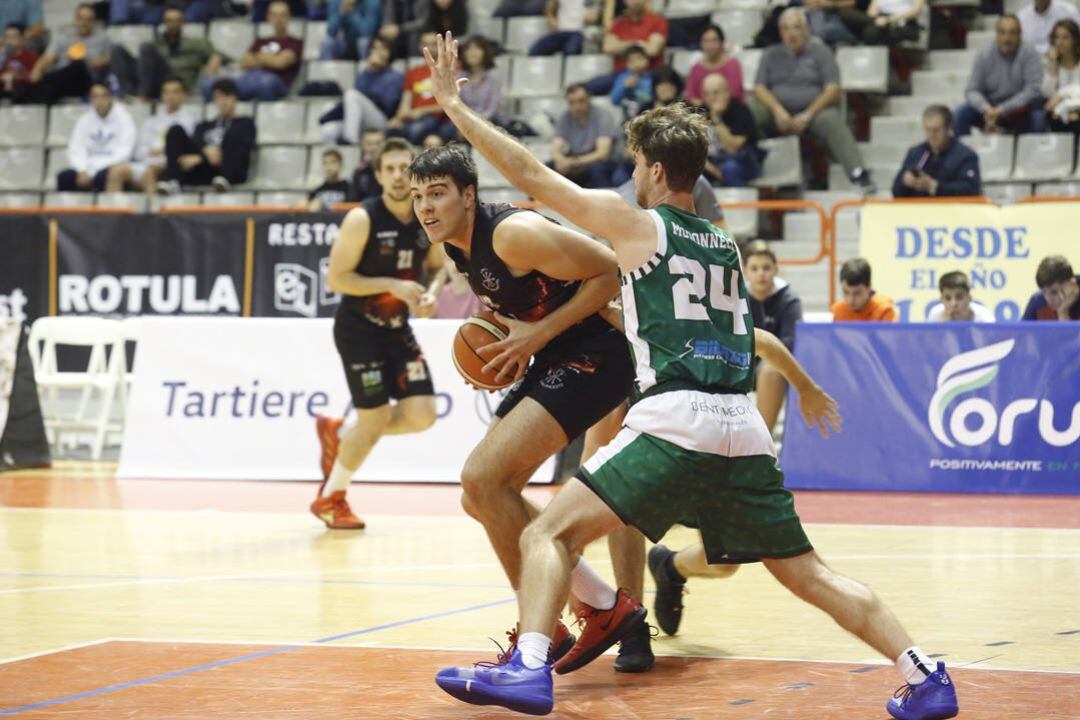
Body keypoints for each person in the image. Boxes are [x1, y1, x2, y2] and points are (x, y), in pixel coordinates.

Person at [422, 33, 958, 720]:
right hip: (744, 430)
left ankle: (530, 667)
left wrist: (454, 109)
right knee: (810, 575)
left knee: (545, 534)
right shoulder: (725, 247)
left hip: (676, 420)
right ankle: (925, 672)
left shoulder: (641, 226)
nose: (632, 173)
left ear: (650, 169)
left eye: (635, 163)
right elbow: (749, 333)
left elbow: (532, 178)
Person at [407, 141, 658, 674]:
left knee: (482, 478)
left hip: (601, 353)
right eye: (417, 197)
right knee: (483, 497)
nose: (425, 207)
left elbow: (612, 270)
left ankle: (544, 627)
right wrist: (504, 351)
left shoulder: (511, 233)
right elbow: (531, 300)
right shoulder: (456, 246)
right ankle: (601, 606)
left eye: (437, 194)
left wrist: (536, 335)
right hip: (558, 351)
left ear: (468, 195)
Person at [648, 325, 839, 639]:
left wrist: (807, 388)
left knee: (726, 563)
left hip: (721, 447)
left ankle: (669, 567)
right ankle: (627, 626)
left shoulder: (712, 322)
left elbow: (766, 342)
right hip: (673, 443)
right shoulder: (655, 318)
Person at [312, 138, 443, 529]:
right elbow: (338, 278)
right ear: (378, 174)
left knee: (422, 416)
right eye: (390, 169)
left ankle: (341, 431)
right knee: (376, 418)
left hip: (397, 328)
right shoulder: (363, 218)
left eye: (405, 167)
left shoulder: (426, 217)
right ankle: (331, 498)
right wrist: (392, 285)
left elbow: (437, 267)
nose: (398, 176)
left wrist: (431, 296)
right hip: (358, 330)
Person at [751, 8, 875, 192]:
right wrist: (778, 111)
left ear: (806, 29)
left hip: (813, 112)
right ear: (780, 32)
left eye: (796, 28)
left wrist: (807, 115)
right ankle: (755, 168)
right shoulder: (770, 54)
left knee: (831, 120)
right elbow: (759, 88)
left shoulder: (821, 51)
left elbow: (833, 90)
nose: (791, 33)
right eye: (785, 28)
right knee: (750, 113)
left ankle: (858, 173)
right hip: (779, 113)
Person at [743, 240, 803, 431]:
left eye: (766, 267)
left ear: (776, 269)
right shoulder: (734, 298)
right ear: (745, 271)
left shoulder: (789, 301)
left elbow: (791, 342)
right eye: (754, 268)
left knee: (771, 369)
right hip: (739, 364)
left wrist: (760, 352)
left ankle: (762, 444)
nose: (761, 273)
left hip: (776, 371)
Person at [158, 78, 257, 194]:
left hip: (231, 169)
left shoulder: (245, 123)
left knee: (233, 134)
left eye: (227, 96)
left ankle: (226, 179)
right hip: (205, 169)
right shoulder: (203, 126)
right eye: (219, 97)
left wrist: (211, 155)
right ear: (214, 100)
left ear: (235, 98)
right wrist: (205, 154)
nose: (223, 101)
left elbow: (244, 149)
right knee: (175, 130)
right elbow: (196, 144)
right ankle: (173, 181)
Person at [954, 15, 1045, 136]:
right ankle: (964, 154)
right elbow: (972, 90)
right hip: (990, 108)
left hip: (1020, 109)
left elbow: (1033, 90)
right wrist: (986, 109)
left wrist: (1002, 110)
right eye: (1002, 32)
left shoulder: (1030, 54)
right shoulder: (984, 55)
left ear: (1020, 35)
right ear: (996, 34)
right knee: (960, 113)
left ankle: (1034, 155)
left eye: (1012, 33)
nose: (1007, 38)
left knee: (1038, 117)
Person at [199, 0, 302, 102]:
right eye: (274, 15)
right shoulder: (261, 40)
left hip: (275, 81)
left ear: (289, 17)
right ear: (268, 17)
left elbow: (281, 62)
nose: (278, 19)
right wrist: (270, 59)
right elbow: (245, 62)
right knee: (210, 84)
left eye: (282, 15)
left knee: (266, 83)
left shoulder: (295, 42)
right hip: (249, 78)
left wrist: (257, 57)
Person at [111, 77, 198, 195]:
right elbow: (138, 152)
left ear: (183, 95)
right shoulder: (152, 121)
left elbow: (183, 150)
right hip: (145, 163)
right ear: (162, 96)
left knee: (150, 173)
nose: (170, 96)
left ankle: (151, 211)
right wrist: (159, 151)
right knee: (116, 172)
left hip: (168, 165)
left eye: (175, 92)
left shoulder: (190, 122)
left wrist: (162, 152)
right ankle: (113, 212)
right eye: (167, 92)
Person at [57, 82, 137, 194]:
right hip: (87, 168)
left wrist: (95, 170)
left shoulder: (124, 118)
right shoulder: (84, 119)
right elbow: (76, 148)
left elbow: (125, 151)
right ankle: (69, 211)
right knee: (64, 177)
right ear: (91, 99)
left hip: (110, 166)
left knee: (106, 176)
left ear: (110, 97)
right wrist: (83, 170)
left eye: (103, 96)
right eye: (95, 97)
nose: (99, 101)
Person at [319, 37, 400, 145]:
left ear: (390, 53)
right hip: (359, 120)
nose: (378, 52)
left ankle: (351, 140)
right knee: (329, 130)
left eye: (383, 49)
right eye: (374, 48)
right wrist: (371, 71)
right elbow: (356, 103)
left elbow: (387, 105)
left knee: (351, 95)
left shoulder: (395, 77)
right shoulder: (363, 75)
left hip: (381, 120)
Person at [138, 1, 224, 100]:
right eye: (169, 21)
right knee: (120, 51)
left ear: (183, 22)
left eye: (177, 20)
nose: (173, 24)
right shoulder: (156, 44)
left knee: (146, 48)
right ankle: (126, 95)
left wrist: (216, 56)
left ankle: (144, 95)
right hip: (157, 82)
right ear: (164, 22)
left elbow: (223, 56)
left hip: (180, 83)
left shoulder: (197, 44)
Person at [28, 3, 112, 104]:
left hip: (86, 79)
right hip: (62, 79)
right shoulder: (63, 36)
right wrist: (37, 70)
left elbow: (110, 58)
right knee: (43, 85)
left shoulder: (102, 38)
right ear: (75, 19)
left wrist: (94, 63)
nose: (84, 23)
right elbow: (48, 57)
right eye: (81, 18)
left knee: (78, 65)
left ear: (94, 22)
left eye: (88, 19)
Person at [892, 105, 980, 198]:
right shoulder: (916, 153)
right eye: (927, 130)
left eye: (936, 130)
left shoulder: (965, 156)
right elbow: (895, 191)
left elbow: (971, 190)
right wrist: (905, 182)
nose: (931, 135)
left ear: (948, 128)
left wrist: (934, 187)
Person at [583, 0, 668, 96]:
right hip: (620, 74)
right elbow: (607, 48)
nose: (635, 2)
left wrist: (620, 44)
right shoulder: (619, 23)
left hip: (648, 73)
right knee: (585, 89)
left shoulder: (658, 21)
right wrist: (639, 43)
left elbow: (652, 50)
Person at [387, 33, 454, 145]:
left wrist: (422, 111)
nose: (430, 48)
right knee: (392, 130)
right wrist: (398, 118)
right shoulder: (413, 72)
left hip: (440, 119)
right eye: (426, 44)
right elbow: (405, 103)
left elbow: (451, 103)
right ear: (420, 46)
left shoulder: (451, 69)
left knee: (417, 129)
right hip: (415, 119)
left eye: (434, 44)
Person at [552, 83, 618, 188]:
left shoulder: (602, 115)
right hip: (575, 158)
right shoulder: (565, 117)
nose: (577, 106)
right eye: (572, 103)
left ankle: (600, 203)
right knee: (548, 168)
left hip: (597, 161)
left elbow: (602, 153)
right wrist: (561, 161)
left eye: (581, 101)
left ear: (589, 98)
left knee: (597, 170)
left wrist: (574, 162)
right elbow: (555, 150)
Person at [702, 73, 761, 187]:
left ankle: (738, 204)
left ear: (727, 92)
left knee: (730, 168)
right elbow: (695, 152)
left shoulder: (740, 110)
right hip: (712, 164)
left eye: (716, 92)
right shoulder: (701, 112)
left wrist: (717, 118)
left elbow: (732, 148)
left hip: (743, 162)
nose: (711, 98)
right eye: (707, 94)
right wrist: (714, 171)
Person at [685, 24, 745, 105]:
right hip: (703, 110)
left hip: (730, 108)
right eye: (706, 41)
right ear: (701, 43)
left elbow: (733, 93)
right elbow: (691, 96)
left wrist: (716, 107)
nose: (710, 45)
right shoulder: (696, 68)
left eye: (714, 40)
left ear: (721, 42)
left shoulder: (733, 64)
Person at [455, 36, 504, 134]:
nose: (472, 53)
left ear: (485, 52)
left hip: (489, 120)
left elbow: (493, 108)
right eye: (469, 48)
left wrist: (475, 123)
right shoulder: (459, 76)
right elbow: (458, 103)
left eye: (477, 48)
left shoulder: (493, 76)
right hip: (465, 121)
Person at [831, 257, 898, 321]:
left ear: (869, 287)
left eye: (857, 293)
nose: (850, 300)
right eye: (846, 292)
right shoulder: (838, 311)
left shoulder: (884, 310)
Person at [1043, 20, 1080, 133]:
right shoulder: (1049, 63)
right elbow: (1048, 94)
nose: (1059, 42)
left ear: (1075, 40)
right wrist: (1053, 64)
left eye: (1065, 38)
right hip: (1057, 111)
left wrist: (1061, 96)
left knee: (1073, 117)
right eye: (1057, 38)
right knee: (1055, 115)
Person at [529, 0, 602, 56]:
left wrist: (590, 17)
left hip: (579, 32)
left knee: (571, 50)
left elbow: (594, 17)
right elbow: (550, 7)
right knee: (535, 50)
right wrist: (552, 19)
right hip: (560, 31)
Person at [838, 0, 924, 45]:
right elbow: (871, 12)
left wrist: (888, 20)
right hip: (879, 20)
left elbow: (915, 12)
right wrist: (876, 19)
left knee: (870, 32)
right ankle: (874, 23)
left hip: (903, 23)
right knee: (845, 13)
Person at [1021, 255, 1080, 320]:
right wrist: (1062, 311)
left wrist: (1063, 312)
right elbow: (1019, 330)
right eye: (1044, 292)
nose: (1048, 299)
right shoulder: (1038, 302)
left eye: (1054, 292)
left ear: (1072, 284)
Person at [927, 271, 995, 322]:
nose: (953, 304)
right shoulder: (935, 316)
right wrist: (944, 327)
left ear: (969, 298)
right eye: (947, 298)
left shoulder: (985, 319)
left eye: (959, 297)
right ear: (941, 299)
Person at [611, 45, 654, 121]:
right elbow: (615, 100)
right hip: (629, 119)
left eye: (639, 58)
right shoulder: (623, 77)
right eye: (631, 60)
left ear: (647, 60)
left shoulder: (652, 77)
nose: (636, 63)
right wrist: (625, 87)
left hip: (650, 116)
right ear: (627, 64)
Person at [0, 24, 39, 102]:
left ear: (22, 39)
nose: (9, 40)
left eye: (13, 37)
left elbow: (34, 77)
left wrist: (17, 77)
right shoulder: (2, 56)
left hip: (23, 90)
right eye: (7, 37)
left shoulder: (31, 56)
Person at [349, 128, 386, 201]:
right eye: (369, 144)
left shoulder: (392, 169)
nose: (373, 148)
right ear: (362, 146)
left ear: (385, 144)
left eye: (378, 143)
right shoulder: (359, 172)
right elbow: (353, 200)